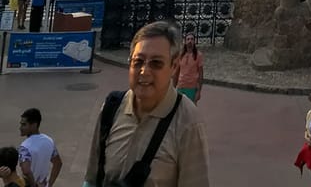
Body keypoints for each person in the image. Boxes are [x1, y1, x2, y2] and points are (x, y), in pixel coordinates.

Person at [82, 20, 210, 187]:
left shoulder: (188, 123)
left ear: (173, 66)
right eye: (138, 62)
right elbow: (92, 179)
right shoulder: (111, 109)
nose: (144, 71)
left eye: (156, 63)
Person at [16, 109, 62, 187]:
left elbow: (26, 171)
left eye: (24, 125)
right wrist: (50, 184)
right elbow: (58, 163)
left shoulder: (25, 147)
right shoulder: (48, 141)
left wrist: (34, 185)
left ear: (34, 125)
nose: (20, 128)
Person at [174, 33, 204, 104]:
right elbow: (176, 73)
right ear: (185, 41)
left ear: (194, 41)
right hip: (180, 87)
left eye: (192, 39)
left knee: (190, 110)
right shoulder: (181, 55)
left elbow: (201, 74)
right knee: (179, 109)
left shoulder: (198, 55)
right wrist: (173, 88)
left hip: (192, 88)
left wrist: (199, 91)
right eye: (188, 39)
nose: (190, 41)